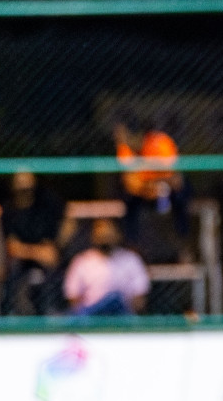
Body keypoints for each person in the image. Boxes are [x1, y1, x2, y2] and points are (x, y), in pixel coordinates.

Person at [115, 116, 188, 254]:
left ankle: (182, 245)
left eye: (121, 134)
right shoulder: (124, 149)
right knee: (127, 200)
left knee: (181, 196)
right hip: (144, 192)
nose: (117, 138)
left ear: (136, 134)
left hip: (166, 189)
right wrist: (147, 187)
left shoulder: (159, 142)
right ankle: (132, 248)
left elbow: (176, 180)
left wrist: (153, 184)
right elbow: (130, 184)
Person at [0, 170, 65, 315]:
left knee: (51, 271)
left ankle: (51, 313)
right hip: (21, 263)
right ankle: (9, 315)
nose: (24, 192)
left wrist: (26, 250)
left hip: (44, 263)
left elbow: (50, 254)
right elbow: (13, 249)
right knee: (14, 270)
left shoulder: (44, 207)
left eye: (28, 188)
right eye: (20, 188)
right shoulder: (9, 209)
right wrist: (35, 251)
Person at [64, 218, 150, 316]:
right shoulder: (82, 261)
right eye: (101, 235)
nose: (105, 238)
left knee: (115, 298)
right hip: (91, 315)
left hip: (121, 314)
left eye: (108, 235)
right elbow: (73, 296)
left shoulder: (131, 259)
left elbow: (139, 298)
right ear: (94, 236)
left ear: (118, 235)